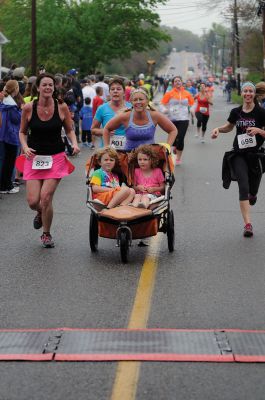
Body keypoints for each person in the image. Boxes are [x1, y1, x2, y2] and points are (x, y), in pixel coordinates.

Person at [19, 73, 80, 248]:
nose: (47, 88)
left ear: (54, 88)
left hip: (56, 157)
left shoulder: (61, 107)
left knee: (45, 198)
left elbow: (69, 129)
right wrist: (24, 146)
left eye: (50, 85)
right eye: (44, 85)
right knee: (33, 201)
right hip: (34, 157)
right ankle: (40, 212)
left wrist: (74, 143)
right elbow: (22, 132)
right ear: (38, 87)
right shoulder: (29, 108)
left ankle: (46, 234)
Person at [211, 81, 265, 237]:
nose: (248, 94)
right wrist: (217, 130)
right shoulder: (236, 111)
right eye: (245, 91)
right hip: (238, 154)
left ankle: (252, 195)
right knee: (243, 186)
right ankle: (248, 224)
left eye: (250, 91)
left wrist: (258, 131)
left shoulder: (261, 113)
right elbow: (229, 127)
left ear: (254, 94)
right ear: (241, 93)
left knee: (252, 191)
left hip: (256, 156)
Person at [103, 87, 177, 151]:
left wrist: (167, 147)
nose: (138, 102)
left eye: (141, 99)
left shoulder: (155, 115)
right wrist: (107, 148)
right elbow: (107, 128)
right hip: (130, 159)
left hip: (149, 159)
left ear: (147, 101)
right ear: (131, 102)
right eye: (135, 100)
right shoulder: (125, 116)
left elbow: (173, 130)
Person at [160, 76, 194, 165]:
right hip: (172, 119)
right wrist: (165, 110)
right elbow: (162, 104)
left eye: (179, 81)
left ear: (182, 82)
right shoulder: (169, 93)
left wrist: (192, 109)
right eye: (176, 81)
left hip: (184, 118)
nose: (178, 82)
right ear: (173, 83)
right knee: (174, 137)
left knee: (181, 137)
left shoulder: (187, 93)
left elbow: (193, 103)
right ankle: (175, 146)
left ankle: (178, 158)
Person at [91, 77, 131, 149]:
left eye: (118, 89)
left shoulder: (131, 108)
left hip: (127, 150)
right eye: (112, 89)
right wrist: (104, 131)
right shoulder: (102, 108)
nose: (115, 91)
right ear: (109, 92)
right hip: (108, 152)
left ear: (124, 92)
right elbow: (93, 130)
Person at [0, 80, 23, 194]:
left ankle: (3, 185)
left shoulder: (3, 102)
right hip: (11, 135)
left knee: (4, 161)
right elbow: (17, 119)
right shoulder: (12, 105)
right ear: (15, 89)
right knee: (9, 162)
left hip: (3, 134)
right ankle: (7, 186)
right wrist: (21, 111)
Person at [131, 144, 165, 209]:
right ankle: (133, 208)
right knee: (137, 196)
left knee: (145, 197)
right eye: (140, 160)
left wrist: (154, 189)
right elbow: (133, 187)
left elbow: (163, 187)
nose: (142, 162)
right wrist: (138, 187)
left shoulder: (158, 171)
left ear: (151, 160)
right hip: (139, 194)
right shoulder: (136, 171)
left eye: (145, 159)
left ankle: (142, 207)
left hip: (153, 195)